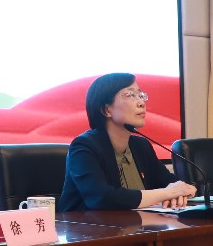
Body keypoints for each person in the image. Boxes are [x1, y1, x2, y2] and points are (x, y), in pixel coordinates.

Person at [57, 73, 198, 211]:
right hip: (87, 225)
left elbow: (171, 183)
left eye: (140, 95)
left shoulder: (141, 146)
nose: (141, 103)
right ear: (106, 110)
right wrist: (167, 193)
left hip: (137, 224)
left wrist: (183, 190)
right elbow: (101, 198)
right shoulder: (84, 146)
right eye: (130, 95)